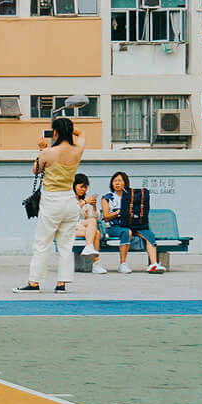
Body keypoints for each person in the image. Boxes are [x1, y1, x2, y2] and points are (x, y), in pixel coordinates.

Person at [16, 116, 85, 294]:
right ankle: (62, 283)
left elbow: (36, 169)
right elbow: (82, 134)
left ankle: (34, 282)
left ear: (55, 132)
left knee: (42, 243)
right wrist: (69, 129)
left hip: (52, 201)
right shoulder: (77, 150)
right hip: (70, 201)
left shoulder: (48, 152)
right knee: (66, 245)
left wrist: (41, 149)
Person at [100, 169, 164, 274]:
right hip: (116, 226)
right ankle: (123, 264)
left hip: (134, 224)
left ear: (125, 183)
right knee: (127, 232)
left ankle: (153, 264)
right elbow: (106, 217)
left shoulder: (132, 196)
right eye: (115, 181)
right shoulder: (107, 198)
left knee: (149, 235)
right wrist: (119, 212)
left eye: (120, 181)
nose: (117, 183)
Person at [72, 173, 106, 275]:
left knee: (93, 224)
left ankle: (89, 247)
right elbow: (70, 212)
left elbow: (96, 217)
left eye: (85, 187)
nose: (84, 189)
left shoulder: (84, 200)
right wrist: (84, 202)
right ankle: (96, 264)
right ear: (74, 186)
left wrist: (94, 207)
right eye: (81, 186)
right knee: (96, 233)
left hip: (80, 227)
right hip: (68, 227)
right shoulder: (69, 198)